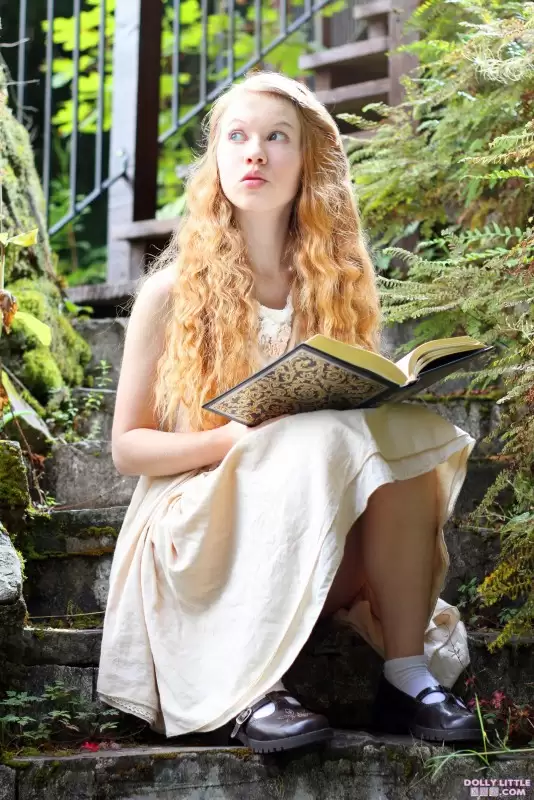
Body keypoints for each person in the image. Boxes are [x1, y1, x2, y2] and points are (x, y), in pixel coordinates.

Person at [97, 70, 482, 753]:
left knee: (399, 438)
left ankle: (407, 677)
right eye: (237, 136)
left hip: (309, 524)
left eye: (277, 137)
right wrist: (233, 442)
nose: (255, 152)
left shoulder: (332, 289)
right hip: (195, 528)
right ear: (216, 160)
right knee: (310, 443)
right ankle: (250, 691)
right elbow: (128, 449)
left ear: (308, 163)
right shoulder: (170, 294)